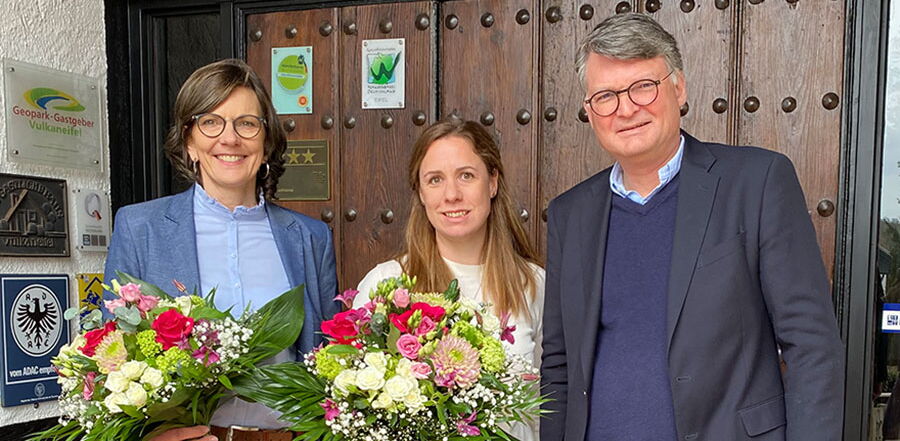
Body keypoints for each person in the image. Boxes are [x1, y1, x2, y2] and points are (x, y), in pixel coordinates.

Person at [540, 13, 844, 441]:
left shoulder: (756, 182)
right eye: (605, 96)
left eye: (643, 86)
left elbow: (811, 345)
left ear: (678, 87)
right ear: (590, 112)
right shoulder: (571, 214)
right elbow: (559, 362)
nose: (626, 109)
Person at [103, 58, 339, 441]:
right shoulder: (140, 228)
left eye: (247, 123)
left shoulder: (310, 237)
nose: (229, 139)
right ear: (189, 141)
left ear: (266, 143)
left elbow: (330, 357)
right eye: (210, 122)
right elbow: (108, 352)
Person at [354, 119, 544, 441]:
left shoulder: (533, 284)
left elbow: (547, 407)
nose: (452, 195)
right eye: (435, 180)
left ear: (493, 182)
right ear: (421, 193)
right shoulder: (386, 285)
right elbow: (357, 406)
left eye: (466, 176)